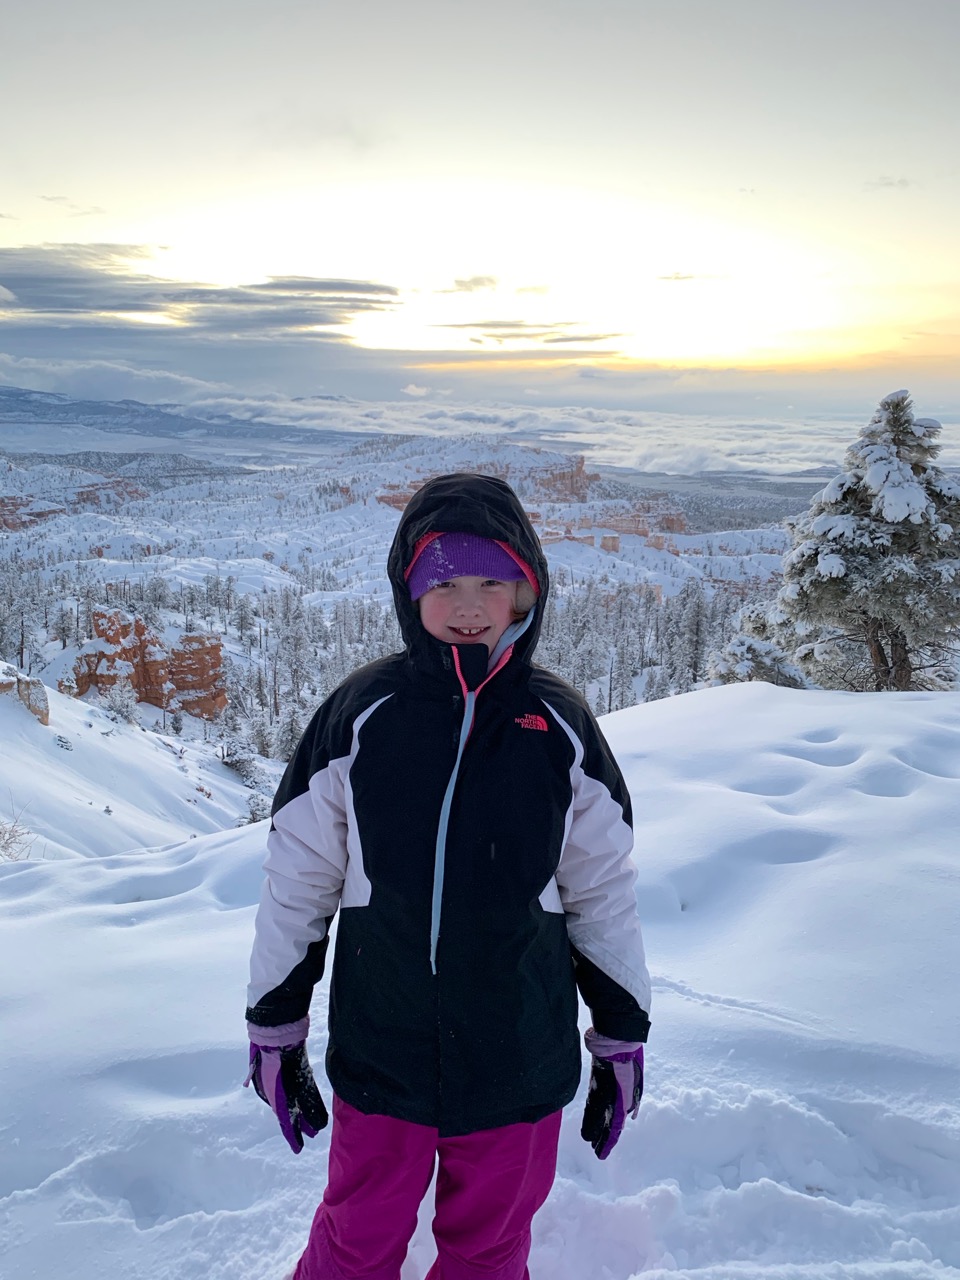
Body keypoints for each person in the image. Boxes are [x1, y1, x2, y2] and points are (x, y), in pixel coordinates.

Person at [245, 472, 651, 1280]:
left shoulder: (560, 729)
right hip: (383, 1050)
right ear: (409, 588)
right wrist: (274, 1021)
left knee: (489, 1250)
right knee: (355, 1240)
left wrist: (621, 1034)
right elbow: (300, 879)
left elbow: (601, 891)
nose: (469, 602)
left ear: (526, 590)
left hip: (517, 1059)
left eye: (492, 580)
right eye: (445, 581)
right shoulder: (361, 716)